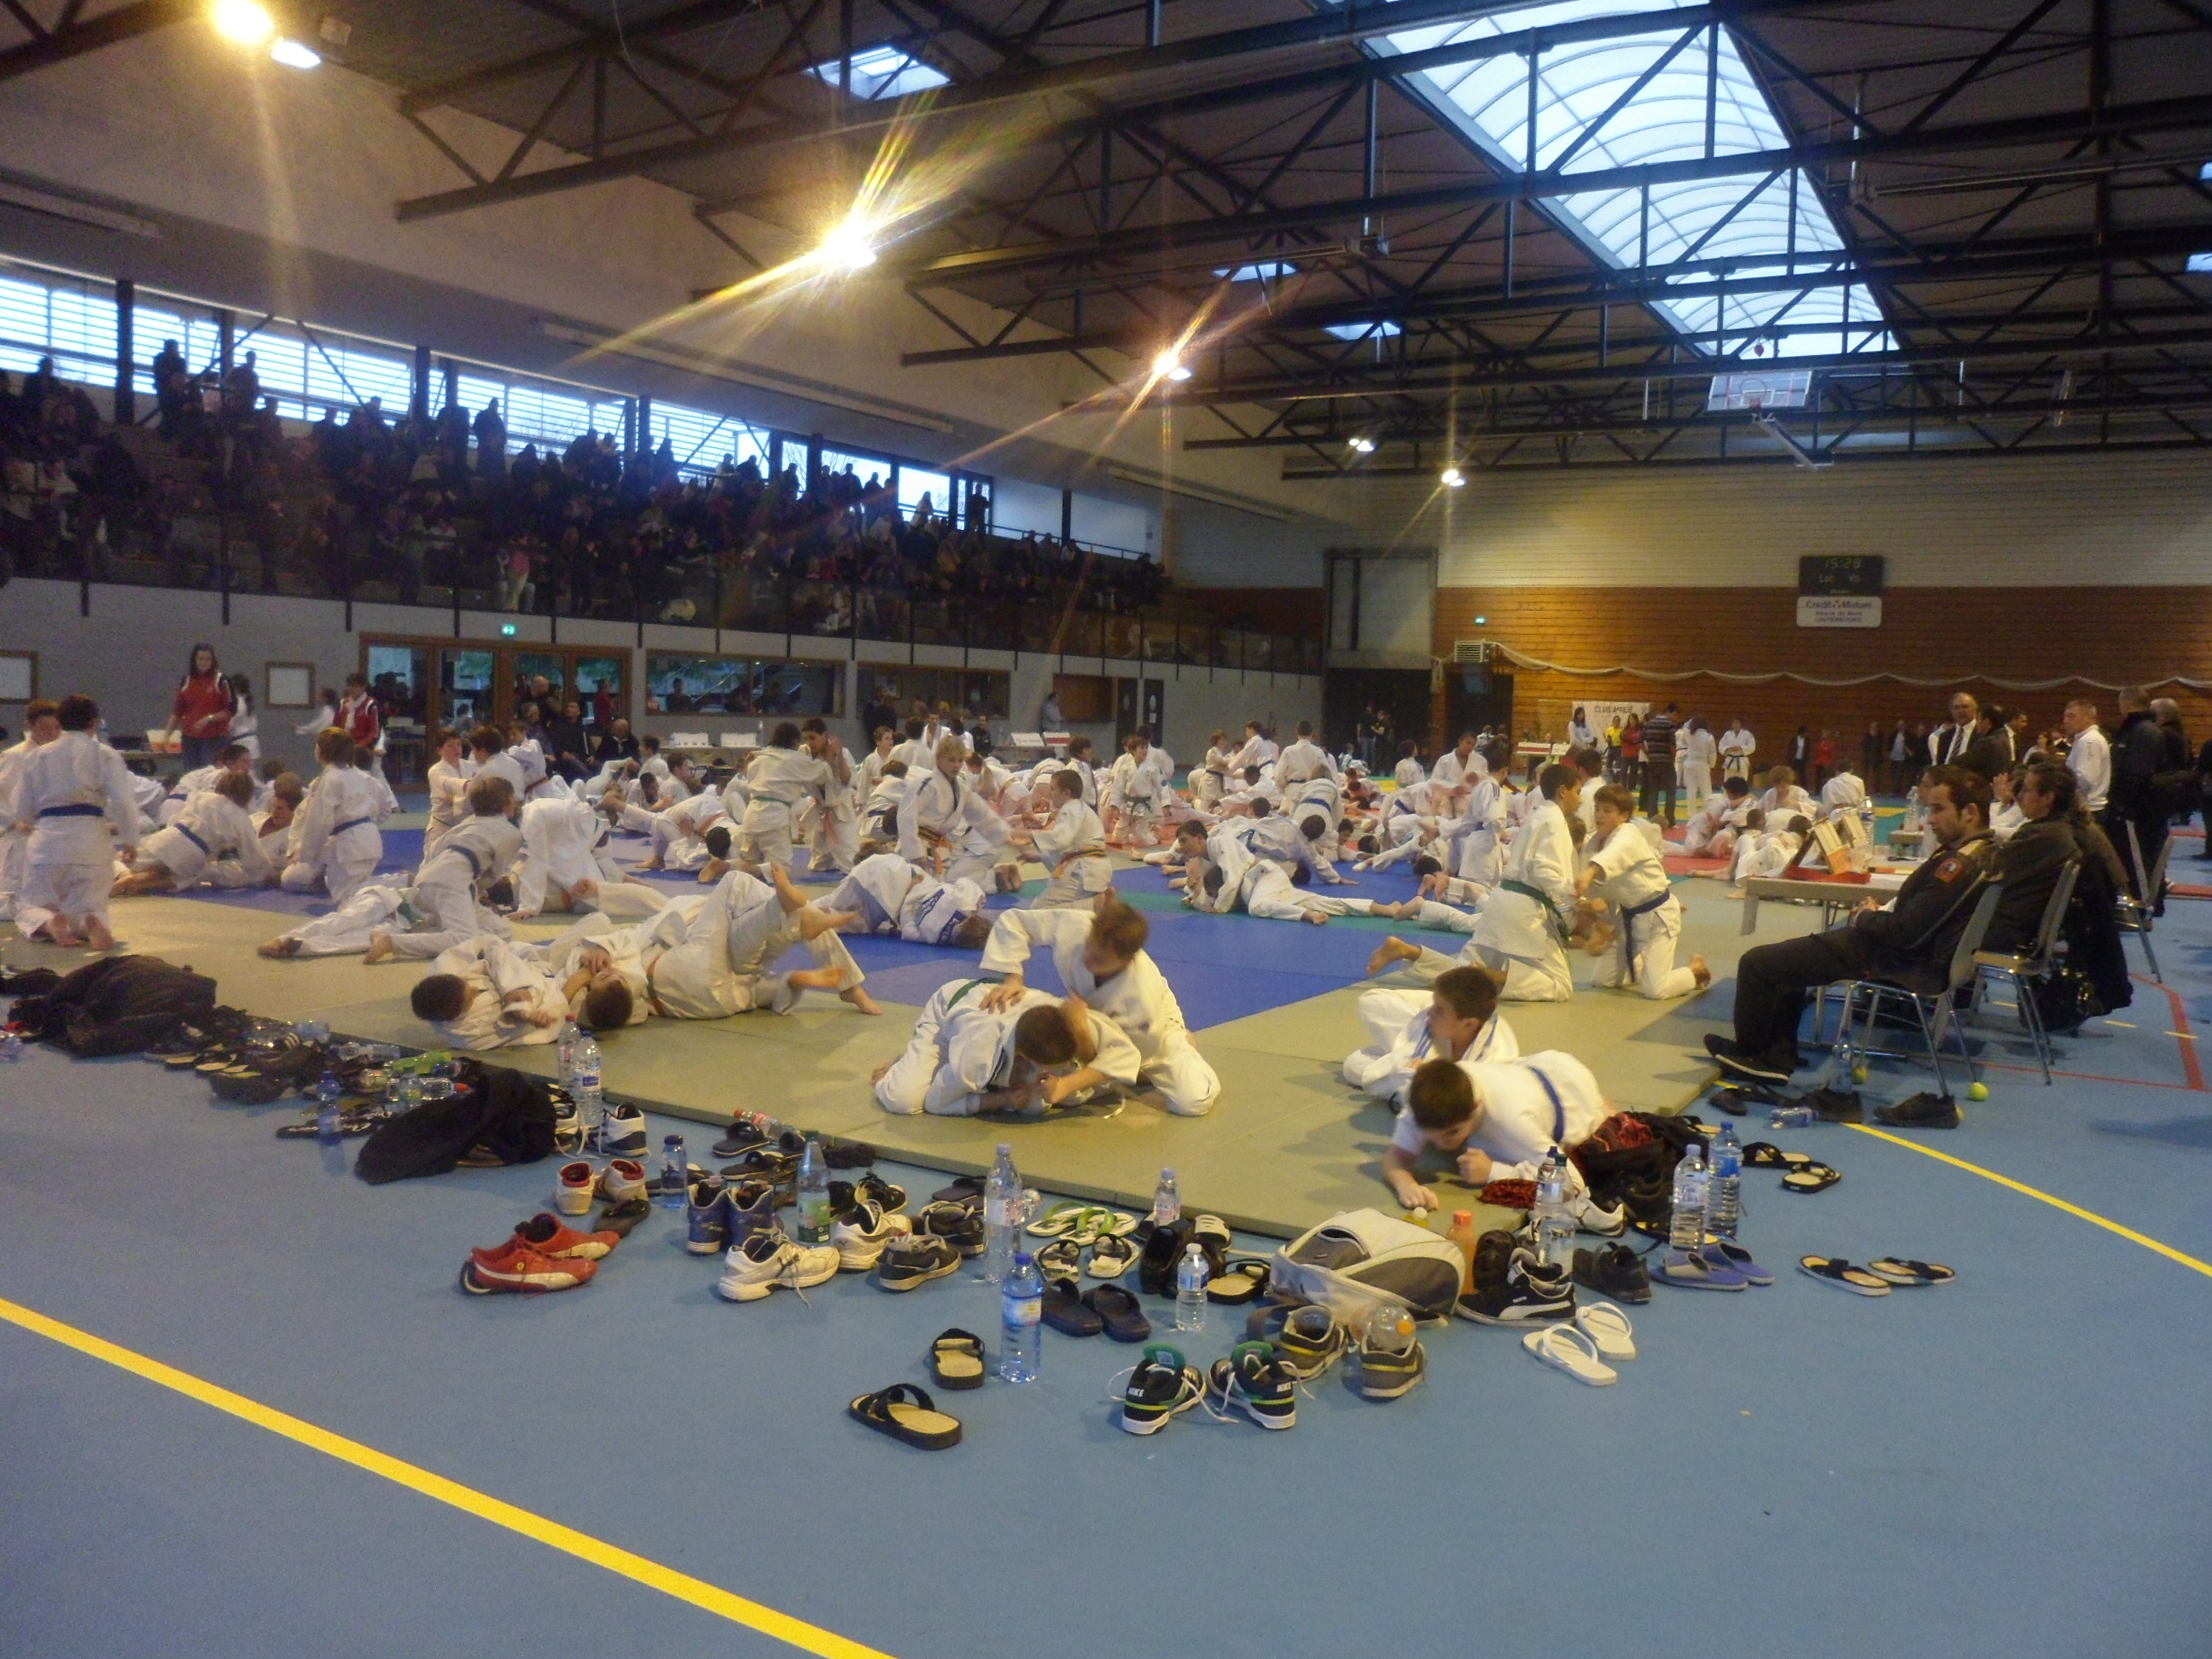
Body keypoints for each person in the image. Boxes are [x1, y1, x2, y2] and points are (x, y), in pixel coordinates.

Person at [1707, 766, 2000, 1094]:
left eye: (1939, 809)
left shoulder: (1959, 864)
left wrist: (1865, 918)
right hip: (1902, 950)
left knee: (1757, 963)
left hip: (1892, 957)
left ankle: (1755, 1056)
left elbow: (1907, 933)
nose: (1930, 819)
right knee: (1789, 961)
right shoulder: (1980, 853)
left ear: (1970, 812)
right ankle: (1776, 1054)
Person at [978, 895, 1220, 1116]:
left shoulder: (1141, 1003)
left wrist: (1080, 1030)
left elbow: (1120, 1058)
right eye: (1088, 946)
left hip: (1150, 1040)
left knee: (1191, 1102)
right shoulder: (1078, 925)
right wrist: (1013, 978)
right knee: (1040, 1076)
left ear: (1128, 960)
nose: (1087, 958)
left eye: (1099, 959)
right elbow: (1014, 921)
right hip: (1087, 1013)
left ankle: (1182, 1042)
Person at [1380, 1051, 1610, 1218]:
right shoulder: (1419, 1100)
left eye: (1452, 1133)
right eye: (1431, 1134)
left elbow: (1572, 1185)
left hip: (1571, 1092)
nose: (1440, 1144)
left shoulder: (1511, 1120)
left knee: (1604, 1121)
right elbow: (1395, 1159)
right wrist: (1407, 1186)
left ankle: (1604, 1106)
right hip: (1520, 1071)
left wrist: (1494, 1171)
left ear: (1475, 1108)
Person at [870, 979, 1140, 1118]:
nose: (1059, 1070)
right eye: (1052, 1067)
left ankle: (924, 1063)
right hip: (948, 1013)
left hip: (995, 1012)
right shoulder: (979, 1054)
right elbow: (936, 1103)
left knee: (1053, 1099)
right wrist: (1003, 1100)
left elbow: (1128, 1054)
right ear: (1025, 1057)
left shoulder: (1069, 1018)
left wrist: (1067, 1084)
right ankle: (912, 1056)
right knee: (903, 1100)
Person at [12, 695, 140, 949]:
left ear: (59, 722)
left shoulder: (37, 756)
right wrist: (130, 841)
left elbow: (22, 808)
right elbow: (124, 802)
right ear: (94, 723)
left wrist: (27, 820)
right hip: (91, 840)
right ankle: (90, 921)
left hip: (48, 842)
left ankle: (49, 922)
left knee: (32, 905)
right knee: (90, 904)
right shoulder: (105, 755)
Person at [1576, 784, 1709, 1000]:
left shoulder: (1628, 834)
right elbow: (1598, 895)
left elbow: (1614, 854)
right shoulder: (1593, 845)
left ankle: (1694, 971)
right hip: (1627, 918)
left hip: (1658, 915)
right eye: (1597, 809)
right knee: (1603, 980)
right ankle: (1643, 966)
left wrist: (1590, 872)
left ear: (1624, 815)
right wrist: (1600, 924)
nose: (1599, 815)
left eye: (1607, 810)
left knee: (1656, 991)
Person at [1342, 964, 1520, 1108]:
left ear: (1469, 1024)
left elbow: (1454, 1108)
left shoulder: (1495, 1058)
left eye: (1439, 1010)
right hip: (1428, 1036)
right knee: (1371, 1004)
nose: (1430, 1014)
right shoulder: (1437, 1022)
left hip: (1452, 1078)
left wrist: (1411, 1077)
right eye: (1435, 1006)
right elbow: (1415, 1056)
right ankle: (1437, 1002)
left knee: (1354, 1065)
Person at [113, 770, 272, 894]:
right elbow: (253, 854)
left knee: (121, 860)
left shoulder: (202, 796)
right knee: (180, 878)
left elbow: (176, 818)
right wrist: (268, 875)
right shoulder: (240, 817)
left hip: (170, 836)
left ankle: (125, 875)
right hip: (196, 854)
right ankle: (139, 882)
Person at [278, 728, 388, 904]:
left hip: (348, 845)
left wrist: (306, 854)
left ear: (321, 751)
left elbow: (320, 823)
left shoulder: (331, 779)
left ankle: (396, 883)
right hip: (369, 839)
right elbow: (385, 809)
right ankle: (391, 885)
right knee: (354, 892)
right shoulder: (363, 777)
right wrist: (367, 823)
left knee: (348, 899)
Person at [898, 734, 1009, 882]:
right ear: (938, 760)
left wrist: (1008, 835)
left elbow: (982, 815)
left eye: (960, 760)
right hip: (918, 846)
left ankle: (998, 879)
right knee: (923, 889)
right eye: (951, 760)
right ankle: (996, 880)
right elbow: (906, 816)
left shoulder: (961, 788)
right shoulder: (926, 784)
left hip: (939, 847)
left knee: (946, 885)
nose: (956, 765)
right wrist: (915, 853)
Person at [1010, 767, 1112, 909]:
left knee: (1038, 909)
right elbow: (1070, 847)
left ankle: (1095, 904)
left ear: (1066, 793)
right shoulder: (1079, 809)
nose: (1050, 793)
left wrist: (1027, 834)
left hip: (1085, 873)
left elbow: (1060, 840)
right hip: (1091, 871)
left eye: (1053, 789)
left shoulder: (1071, 809)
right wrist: (1040, 857)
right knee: (1057, 910)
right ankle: (1094, 903)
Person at [171, 643, 236, 770]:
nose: (204, 662)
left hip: (214, 739)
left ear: (213, 661)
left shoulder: (221, 680)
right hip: (190, 739)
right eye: (201, 659)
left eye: (208, 659)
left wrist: (209, 718)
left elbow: (230, 710)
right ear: (194, 660)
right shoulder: (186, 681)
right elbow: (177, 712)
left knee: (208, 773)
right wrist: (167, 736)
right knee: (191, 775)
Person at [2062, 697, 2110, 817]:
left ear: (2088, 718)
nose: (2065, 721)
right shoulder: (2084, 739)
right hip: (2087, 806)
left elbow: (2085, 779)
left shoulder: (2089, 741)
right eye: (2065, 716)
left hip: (2089, 808)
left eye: (2071, 716)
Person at [1639, 702, 1679, 825]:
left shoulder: (1649, 724)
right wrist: (1673, 759)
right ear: (1669, 712)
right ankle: (1669, 819)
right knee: (1671, 791)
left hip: (1653, 761)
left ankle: (1652, 817)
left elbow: (1640, 742)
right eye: (1675, 715)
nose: (1675, 718)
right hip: (1666, 761)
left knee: (1653, 790)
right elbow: (1672, 745)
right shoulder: (1670, 725)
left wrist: (1649, 754)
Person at [1928, 692, 1978, 767]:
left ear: (1975, 709)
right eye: (1956, 708)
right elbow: (1940, 765)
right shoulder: (1944, 737)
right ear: (1951, 711)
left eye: (1965, 707)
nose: (1961, 711)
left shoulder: (1983, 734)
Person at [1676, 716, 1717, 806]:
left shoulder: (1689, 734)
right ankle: (1708, 811)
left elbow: (1684, 726)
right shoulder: (1709, 737)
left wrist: (1692, 721)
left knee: (1691, 791)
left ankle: (1691, 813)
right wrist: (1711, 765)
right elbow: (1712, 754)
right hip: (1703, 765)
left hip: (1689, 764)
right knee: (1706, 791)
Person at [1719, 719, 1756, 784]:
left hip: (1742, 761)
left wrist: (1741, 748)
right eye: (1734, 723)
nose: (1735, 725)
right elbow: (1721, 746)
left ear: (1741, 724)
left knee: (1742, 783)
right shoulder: (1727, 734)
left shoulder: (1747, 734)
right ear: (1732, 725)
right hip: (1730, 761)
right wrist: (1728, 748)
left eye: (1737, 723)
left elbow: (1752, 746)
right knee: (1728, 783)